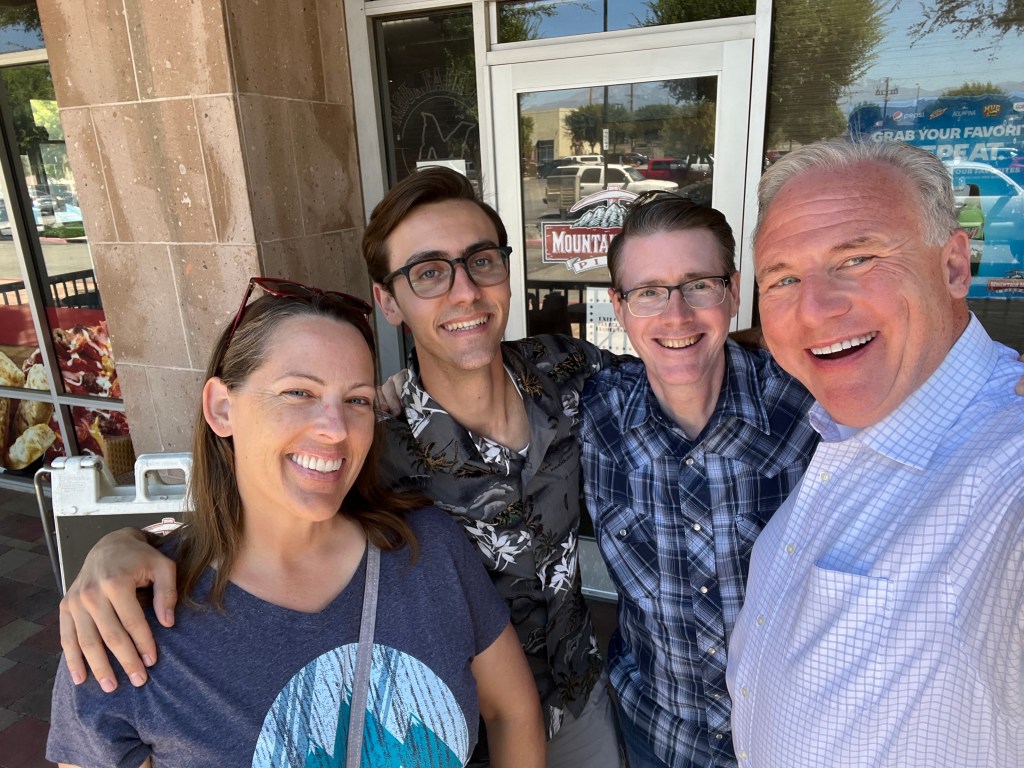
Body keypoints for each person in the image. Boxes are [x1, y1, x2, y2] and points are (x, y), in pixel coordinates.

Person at [56, 170, 625, 768]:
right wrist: (124, 544)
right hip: (455, 729)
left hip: (574, 692)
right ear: (389, 301)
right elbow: (268, 516)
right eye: (429, 272)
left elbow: (669, 370)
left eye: (481, 261)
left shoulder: (566, 372)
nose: (464, 291)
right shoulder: (374, 440)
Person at [46, 277, 545, 768]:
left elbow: (512, 712)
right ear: (222, 408)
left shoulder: (428, 551)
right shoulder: (123, 625)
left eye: (357, 400)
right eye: (299, 392)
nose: (335, 429)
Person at [726, 139, 1024, 766]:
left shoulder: (1006, 467)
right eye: (783, 279)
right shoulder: (842, 426)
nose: (814, 310)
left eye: (857, 259)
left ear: (953, 267)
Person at [579, 195, 820, 768]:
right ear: (619, 306)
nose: (677, 315)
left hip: (792, 742)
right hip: (656, 735)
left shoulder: (813, 404)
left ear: (733, 291)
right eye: (649, 292)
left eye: (699, 285)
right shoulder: (589, 411)